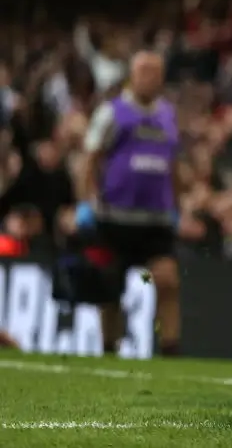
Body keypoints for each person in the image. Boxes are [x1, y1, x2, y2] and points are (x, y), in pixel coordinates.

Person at [76, 51, 182, 356]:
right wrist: (87, 202)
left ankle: (170, 350)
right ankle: (109, 348)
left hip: (156, 219)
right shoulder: (112, 113)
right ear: (131, 75)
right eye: (143, 70)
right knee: (109, 287)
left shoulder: (167, 116)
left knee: (168, 281)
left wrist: (177, 204)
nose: (149, 77)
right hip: (114, 216)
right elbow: (90, 159)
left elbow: (173, 165)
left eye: (154, 71)